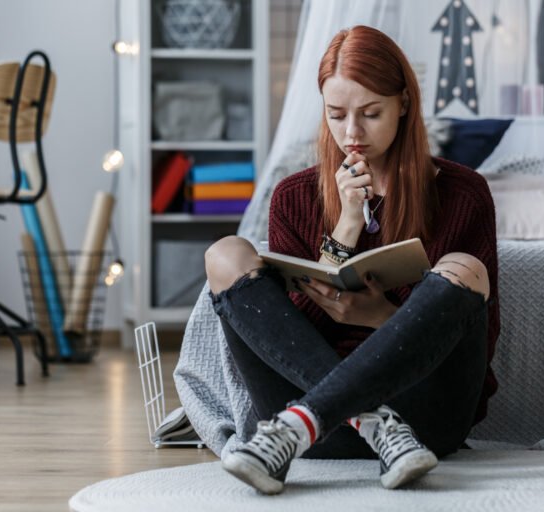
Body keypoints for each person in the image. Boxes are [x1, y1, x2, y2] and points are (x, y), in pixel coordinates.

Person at [204, 25, 499, 495]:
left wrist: (379, 315)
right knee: (225, 254)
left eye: (370, 113)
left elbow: (477, 338)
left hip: (422, 418)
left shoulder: (463, 194)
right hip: (304, 428)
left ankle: (319, 420)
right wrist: (345, 224)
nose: (352, 133)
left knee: (466, 267)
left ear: (403, 102)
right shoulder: (294, 195)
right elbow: (286, 339)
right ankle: (366, 422)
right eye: (336, 115)